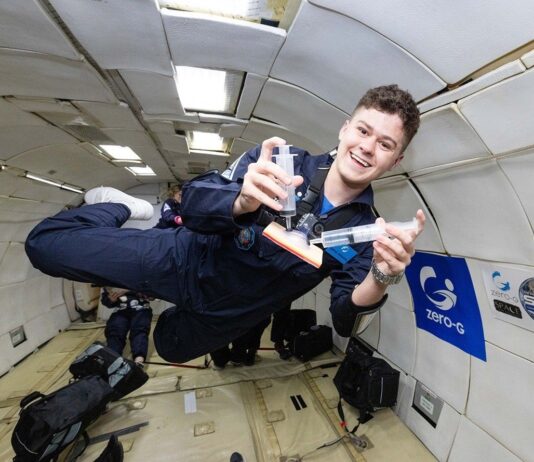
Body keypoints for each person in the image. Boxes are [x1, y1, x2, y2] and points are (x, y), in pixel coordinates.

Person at [25, 85, 425, 364]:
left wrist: (381, 275)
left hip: (230, 312)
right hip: (184, 258)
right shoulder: (279, 161)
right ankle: (120, 209)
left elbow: (344, 320)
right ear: (345, 129)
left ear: (396, 160)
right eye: (363, 130)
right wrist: (241, 199)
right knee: (44, 246)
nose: (368, 147)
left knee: (169, 345)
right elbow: (196, 199)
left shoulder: (367, 233)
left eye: (386, 144)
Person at [101, 287, 153, 366]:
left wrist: (130, 290)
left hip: (141, 307)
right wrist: (111, 299)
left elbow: (153, 293)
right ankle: (113, 358)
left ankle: (139, 358)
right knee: (115, 329)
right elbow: (106, 301)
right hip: (121, 309)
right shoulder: (113, 279)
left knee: (139, 329)